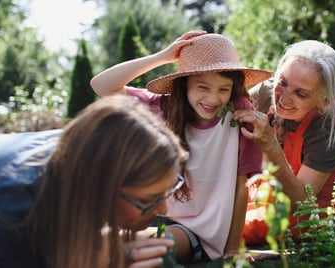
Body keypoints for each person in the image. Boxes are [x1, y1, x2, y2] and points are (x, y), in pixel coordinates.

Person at [90, 31, 272, 262]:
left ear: (233, 89)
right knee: (93, 239)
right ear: (184, 85)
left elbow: (241, 186)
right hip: (156, 215)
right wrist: (164, 56)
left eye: (223, 89)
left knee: (124, 248)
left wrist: (233, 250)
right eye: (202, 87)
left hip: (199, 232)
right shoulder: (164, 106)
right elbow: (102, 85)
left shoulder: (239, 113)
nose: (213, 99)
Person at [0, 95, 189, 268]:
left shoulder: (85, 151)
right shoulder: (15, 219)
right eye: (149, 200)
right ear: (102, 190)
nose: (164, 210)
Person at [234, 40, 335, 244]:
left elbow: (301, 203)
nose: (283, 98)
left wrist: (269, 144)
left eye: (301, 94)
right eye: (283, 82)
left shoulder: (332, 124)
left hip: (303, 222)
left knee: (222, 229)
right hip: (258, 201)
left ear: (324, 101)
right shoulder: (265, 94)